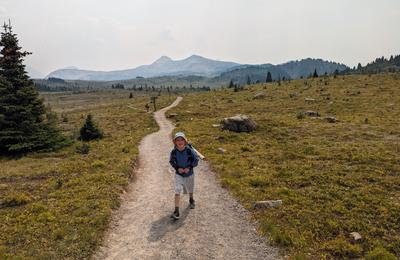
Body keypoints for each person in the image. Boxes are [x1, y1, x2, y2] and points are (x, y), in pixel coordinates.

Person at [169, 132, 199, 220]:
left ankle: (191, 199)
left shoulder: (189, 150)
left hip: (189, 173)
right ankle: (176, 211)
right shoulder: (174, 152)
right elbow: (171, 162)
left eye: (181, 139)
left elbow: (196, 160)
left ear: (185, 141)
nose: (180, 141)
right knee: (177, 190)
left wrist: (189, 167)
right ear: (175, 142)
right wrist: (177, 168)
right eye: (177, 140)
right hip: (179, 174)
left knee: (190, 188)